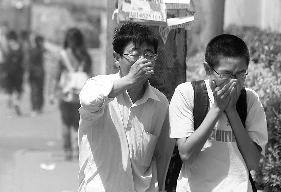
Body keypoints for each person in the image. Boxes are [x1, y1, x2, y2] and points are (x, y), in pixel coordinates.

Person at [78, 22, 174, 192]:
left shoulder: (160, 102)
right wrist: (130, 79)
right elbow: (88, 101)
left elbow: (162, 154)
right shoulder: (99, 85)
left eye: (149, 54)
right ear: (117, 58)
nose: (142, 61)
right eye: (135, 54)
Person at [169, 34, 268, 192]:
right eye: (226, 74)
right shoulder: (187, 93)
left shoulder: (250, 100)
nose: (234, 81)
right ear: (208, 69)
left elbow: (253, 163)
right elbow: (187, 155)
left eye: (241, 74)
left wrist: (232, 111)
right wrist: (216, 108)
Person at [52, 27, 92, 161]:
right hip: (81, 94)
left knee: (65, 122)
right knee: (79, 123)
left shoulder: (62, 56)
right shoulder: (85, 56)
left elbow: (56, 76)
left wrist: (52, 93)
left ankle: (67, 150)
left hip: (66, 94)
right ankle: (78, 149)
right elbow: (90, 75)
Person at [4, 30, 24, 115]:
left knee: (9, 91)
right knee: (18, 90)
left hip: (9, 72)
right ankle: (17, 102)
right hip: (19, 72)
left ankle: (9, 108)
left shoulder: (8, 47)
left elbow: (5, 61)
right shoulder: (20, 48)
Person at [28, 35, 46, 115]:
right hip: (39, 73)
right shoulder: (40, 50)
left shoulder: (31, 50)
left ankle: (34, 108)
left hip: (32, 72)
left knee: (34, 90)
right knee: (39, 90)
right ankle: (38, 107)